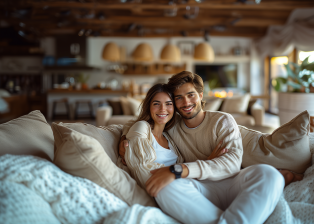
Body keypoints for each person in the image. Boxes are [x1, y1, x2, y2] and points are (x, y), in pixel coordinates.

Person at [120, 71, 285, 224]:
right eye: (178, 98)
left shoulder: (222, 121)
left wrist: (180, 169)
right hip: (193, 190)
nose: (186, 102)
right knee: (164, 186)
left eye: (190, 95)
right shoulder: (171, 125)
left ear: (200, 95)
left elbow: (232, 164)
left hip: (229, 184)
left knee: (269, 174)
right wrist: (124, 139)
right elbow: (138, 124)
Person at [123, 83, 226, 191]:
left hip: (183, 185)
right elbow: (141, 169)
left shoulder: (169, 135)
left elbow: (179, 170)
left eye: (168, 104)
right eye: (156, 104)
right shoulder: (142, 127)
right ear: (149, 106)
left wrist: (207, 163)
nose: (163, 109)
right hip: (162, 189)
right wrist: (125, 135)